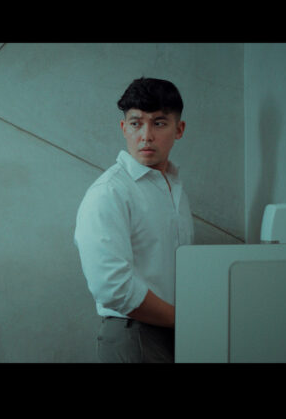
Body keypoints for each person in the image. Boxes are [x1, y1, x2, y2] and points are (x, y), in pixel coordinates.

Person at [74, 77, 194, 363]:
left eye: (159, 123)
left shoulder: (174, 187)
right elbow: (112, 287)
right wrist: (183, 318)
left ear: (179, 129)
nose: (146, 135)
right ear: (123, 128)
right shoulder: (109, 192)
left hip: (177, 331)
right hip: (135, 335)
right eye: (136, 123)